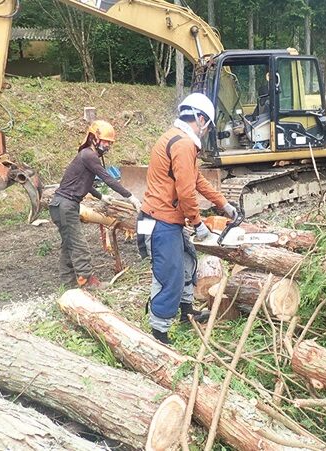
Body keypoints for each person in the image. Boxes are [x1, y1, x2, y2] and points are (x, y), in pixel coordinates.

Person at [137, 92, 238, 345]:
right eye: (208, 125)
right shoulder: (182, 143)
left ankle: (186, 312)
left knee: (187, 262)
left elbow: (196, 180)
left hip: (170, 219)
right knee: (168, 274)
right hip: (161, 221)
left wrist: (222, 204)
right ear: (201, 119)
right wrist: (197, 223)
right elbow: (185, 191)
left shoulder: (179, 139)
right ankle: (159, 332)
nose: (207, 130)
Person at [49, 120, 142, 289]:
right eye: (105, 141)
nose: (107, 146)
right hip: (65, 205)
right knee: (78, 245)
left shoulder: (85, 155)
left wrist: (100, 196)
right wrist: (130, 197)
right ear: (93, 138)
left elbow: (83, 181)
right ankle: (88, 282)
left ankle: (68, 283)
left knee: (68, 245)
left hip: (62, 205)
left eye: (110, 143)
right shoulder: (89, 155)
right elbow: (108, 178)